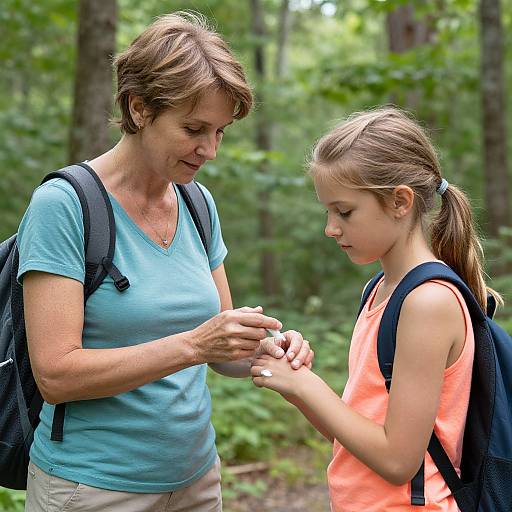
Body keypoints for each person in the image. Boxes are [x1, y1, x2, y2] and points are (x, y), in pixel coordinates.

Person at [19, 12, 313, 512]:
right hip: (92, 488)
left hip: (197, 480)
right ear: (139, 109)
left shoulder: (198, 204)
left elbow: (223, 352)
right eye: (194, 129)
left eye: (220, 131)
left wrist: (267, 347)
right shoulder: (64, 206)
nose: (210, 150)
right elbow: (57, 374)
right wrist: (195, 343)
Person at [251, 107, 502, 511]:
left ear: (400, 201)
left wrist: (306, 387)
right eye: (328, 211)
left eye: (344, 212)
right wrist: (296, 383)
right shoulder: (380, 291)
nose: (331, 228)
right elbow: (354, 439)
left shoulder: (428, 302)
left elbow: (397, 460)